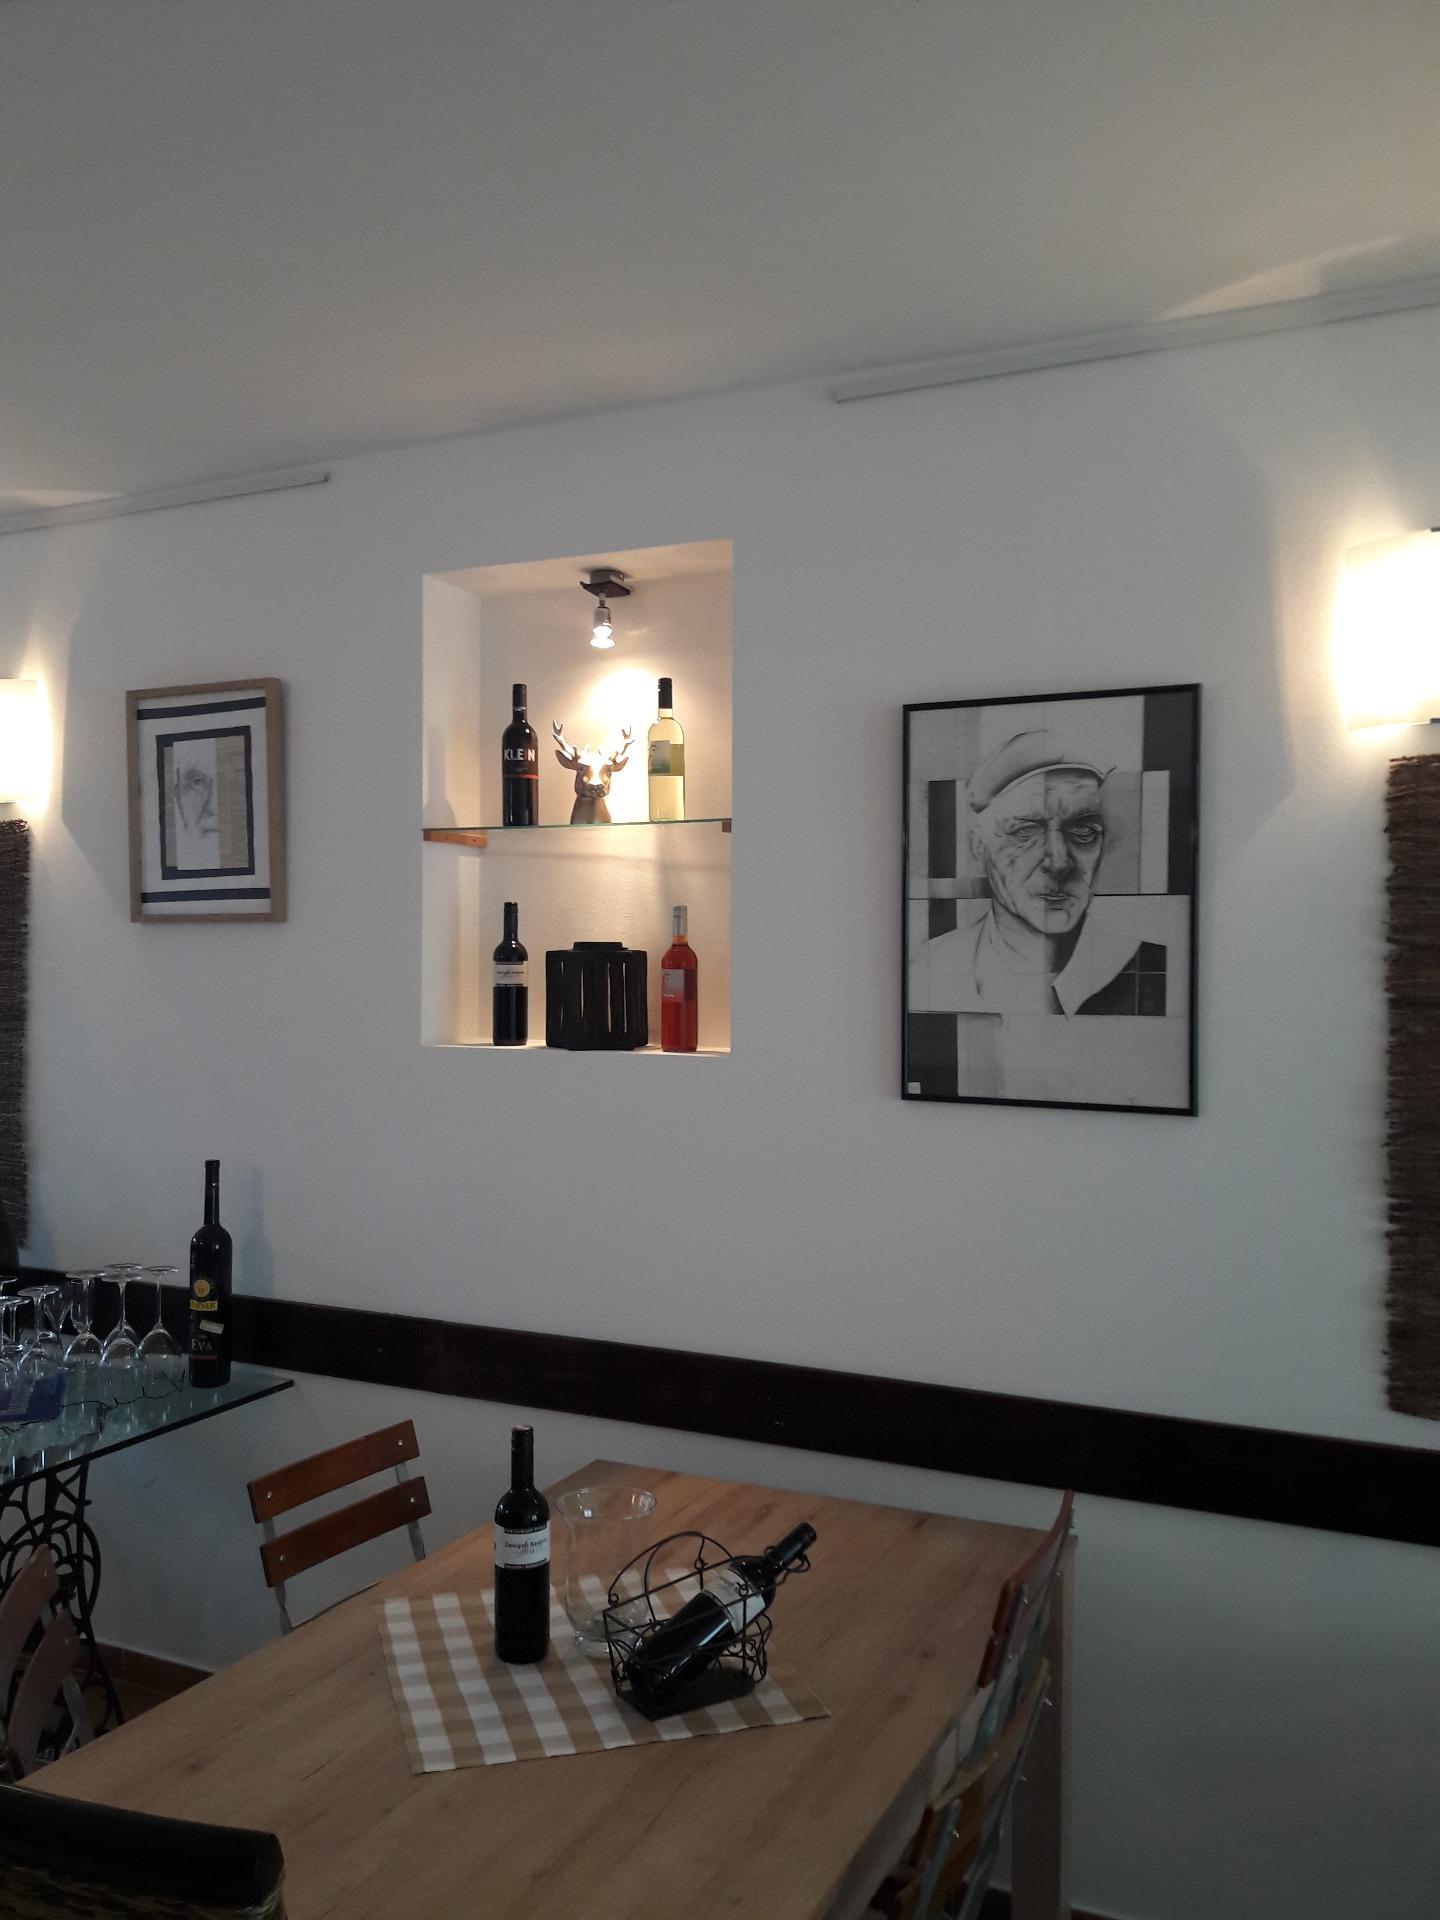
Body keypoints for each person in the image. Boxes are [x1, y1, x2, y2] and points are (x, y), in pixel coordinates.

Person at [923, 728, 1166, 1017]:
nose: (1059, 863)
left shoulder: (1152, 970)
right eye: (1025, 831)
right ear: (979, 850)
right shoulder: (929, 965)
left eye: (1083, 831)